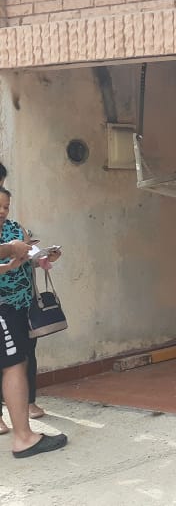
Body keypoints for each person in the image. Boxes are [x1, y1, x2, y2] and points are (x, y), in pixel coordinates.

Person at [0, 187, 67, 457]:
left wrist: (43, 258)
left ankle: (24, 428)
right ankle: (23, 438)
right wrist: (10, 252)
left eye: (6, 206)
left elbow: (27, 258)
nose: (2, 211)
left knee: (19, 361)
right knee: (12, 365)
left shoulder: (16, 228)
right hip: (2, 308)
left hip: (21, 305)